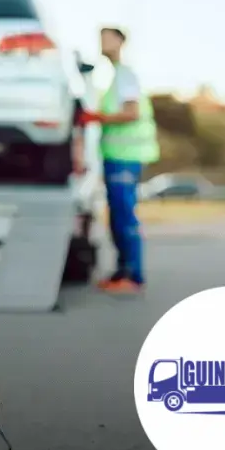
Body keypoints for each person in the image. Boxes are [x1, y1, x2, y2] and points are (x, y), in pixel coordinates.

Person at [77, 27, 160, 294]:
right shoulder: (115, 77)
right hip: (116, 157)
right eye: (100, 38)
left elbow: (131, 113)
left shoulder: (125, 75)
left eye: (108, 38)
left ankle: (133, 276)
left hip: (126, 157)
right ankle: (122, 272)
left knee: (124, 216)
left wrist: (95, 117)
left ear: (121, 42)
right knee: (116, 216)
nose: (102, 43)